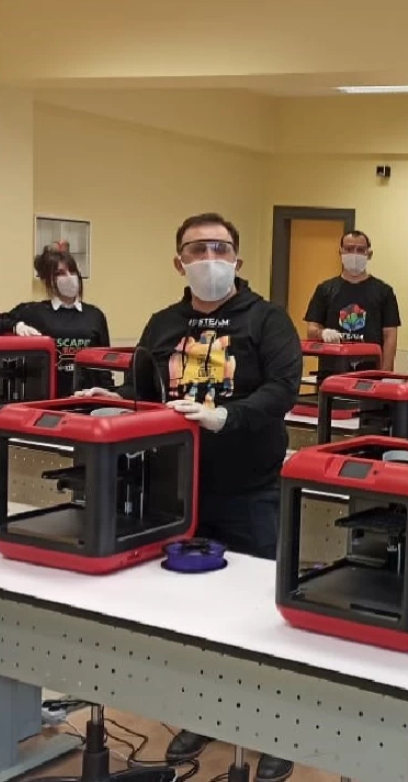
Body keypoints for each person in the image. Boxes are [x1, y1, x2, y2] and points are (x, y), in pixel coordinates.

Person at [75, 212, 302, 782]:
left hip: (249, 488)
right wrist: (117, 397)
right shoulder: (163, 324)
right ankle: (205, 713)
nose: (209, 257)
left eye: (220, 248)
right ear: (179, 262)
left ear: (238, 258)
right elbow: (145, 390)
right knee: (195, 613)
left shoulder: (267, 319)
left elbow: (283, 389)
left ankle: (275, 728)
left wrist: (227, 416)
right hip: (179, 489)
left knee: (260, 612)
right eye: (197, 249)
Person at [0, 243, 110, 397]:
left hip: (88, 400)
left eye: (72, 271)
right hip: (47, 400)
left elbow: (105, 364)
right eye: (60, 273)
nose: (69, 277)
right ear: (48, 280)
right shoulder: (34, 312)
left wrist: (108, 394)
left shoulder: (95, 315)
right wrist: (16, 326)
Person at [303, 230, 401, 370]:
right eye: (349, 249)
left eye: (360, 250)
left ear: (369, 254)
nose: (354, 254)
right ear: (341, 252)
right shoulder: (325, 289)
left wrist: (385, 374)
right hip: (332, 372)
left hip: (370, 372)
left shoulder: (384, 292)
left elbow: (390, 336)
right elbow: (312, 329)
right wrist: (322, 333)